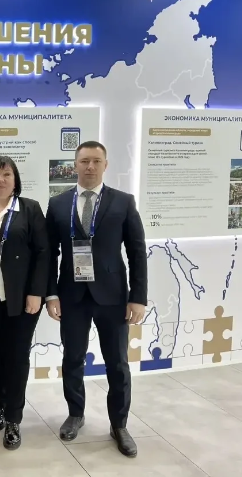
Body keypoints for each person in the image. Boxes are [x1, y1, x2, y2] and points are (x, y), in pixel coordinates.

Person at [45, 140, 147, 458]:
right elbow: (48, 254)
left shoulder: (123, 202)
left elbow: (137, 251)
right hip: (71, 296)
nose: (90, 166)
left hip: (113, 297)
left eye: (96, 161)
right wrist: (51, 293)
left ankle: (119, 425)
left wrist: (138, 297)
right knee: (72, 359)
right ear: (75, 165)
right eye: (84, 161)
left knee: (117, 363)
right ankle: (75, 414)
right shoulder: (58, 204)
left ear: (105, 165)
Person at [0, 156, 48, 450]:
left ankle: (14, 418)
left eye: (6, 174)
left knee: (16, 356)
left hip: (21, 298)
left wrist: (36, 292)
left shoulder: (30, 209)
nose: (0, 179)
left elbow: (43, 253)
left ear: (15, 180)